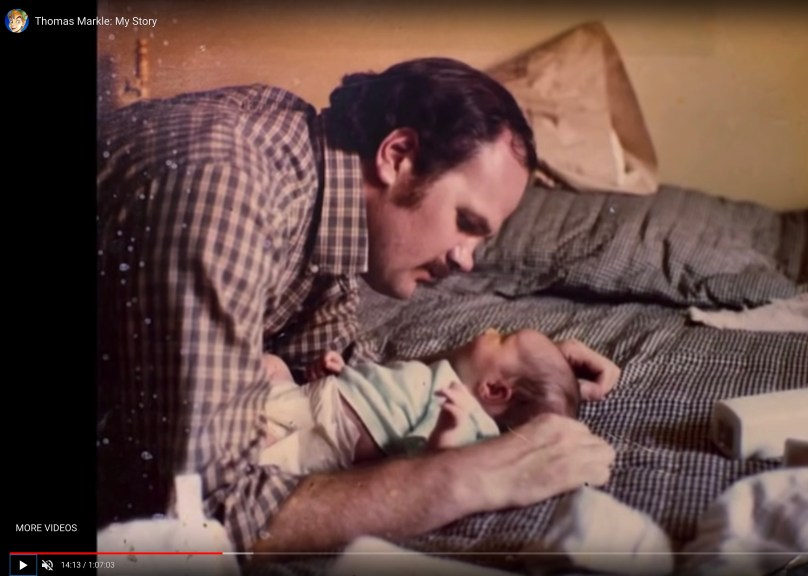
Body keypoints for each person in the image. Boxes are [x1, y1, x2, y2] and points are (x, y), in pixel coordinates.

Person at [96, 56, 621, 556]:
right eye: (466, 222)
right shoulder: (225, 190)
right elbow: (209, 512)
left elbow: (344, 375)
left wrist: (526, 372)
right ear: (397, 157)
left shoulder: (326, 187)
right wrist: (482, 472)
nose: (466, 260)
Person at [258, 327, 582, 473]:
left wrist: (447, 431)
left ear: (495, 390)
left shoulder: (466, 417)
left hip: (326, 437)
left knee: (262, 447)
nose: (491, 328)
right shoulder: (439, 375)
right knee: (271, 365)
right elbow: (378, 389)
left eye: (502, 338)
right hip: (317, 400)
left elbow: (431, 463)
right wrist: (340, 373)